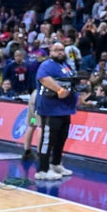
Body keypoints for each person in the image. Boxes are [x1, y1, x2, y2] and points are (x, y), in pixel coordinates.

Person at [34, 42, 78, 181]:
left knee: (61, 138)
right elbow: (43, 79)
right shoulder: (47, 64)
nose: (60, 52)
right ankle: (42, 169)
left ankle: (56, 164)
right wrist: (58, 90)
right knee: (48, 140)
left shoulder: (65, 65)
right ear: (50, 52)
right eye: (56, 50)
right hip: (50, 108)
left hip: (65, 109)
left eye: (61, 50)